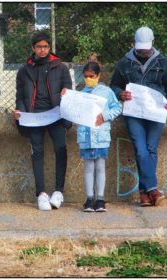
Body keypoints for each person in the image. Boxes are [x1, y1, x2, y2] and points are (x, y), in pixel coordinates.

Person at [110, 26, 167, 206]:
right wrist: (120, 94)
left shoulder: (162, 62)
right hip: (134, 113)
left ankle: (144, 193)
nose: (143, 51)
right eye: (140, 47)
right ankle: (152, 189)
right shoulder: (124, 62)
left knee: (150, 149)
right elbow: (114, 85)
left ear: (153, 42)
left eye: (146, 47)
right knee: (140, 149)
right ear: (134, 44)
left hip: (156, 112)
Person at [13, 32, 72, 211]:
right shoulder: (24, 70)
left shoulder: (60, 67)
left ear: (49, 48)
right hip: (34, 116)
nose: (42, 50)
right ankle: (41, 194)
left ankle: (58, 192)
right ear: (33, 48)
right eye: (39, 47)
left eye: (45, 46)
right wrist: (20, 113)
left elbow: (68, 90)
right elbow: (20, 96)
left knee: (61, 149)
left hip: (56, 115)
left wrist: (65, 95)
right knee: (37, 152)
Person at [62, 61, 122, 212]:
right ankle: (89, 198)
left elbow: (118, 108)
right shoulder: (80, 94)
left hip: (100, 135)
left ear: (98, 75)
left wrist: (105, 115)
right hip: (86, 136)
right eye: (86, 76)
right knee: (89, 167)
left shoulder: (107, 92)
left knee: (100, 166)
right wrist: (65, 97)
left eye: (92, 76)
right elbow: (70, 110)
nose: (89, 79)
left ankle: (100, 199)